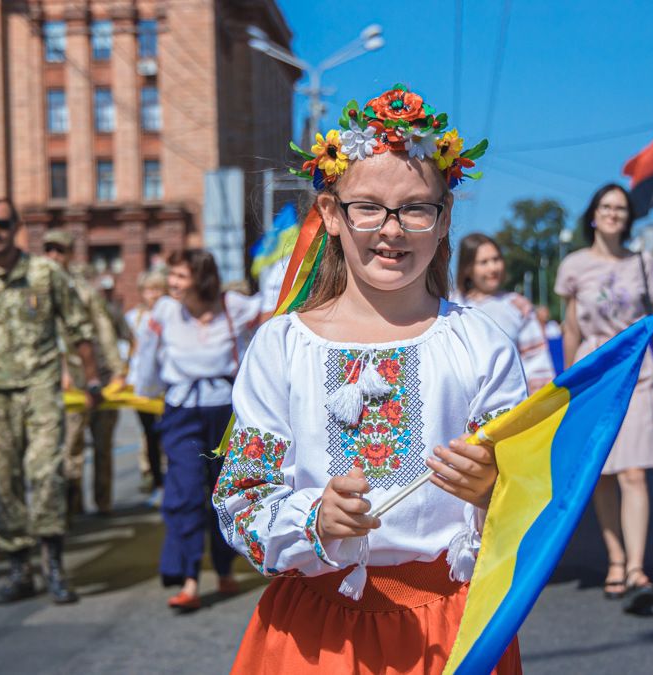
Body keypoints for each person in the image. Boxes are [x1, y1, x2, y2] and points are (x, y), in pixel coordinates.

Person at [213, 85, 522, 673]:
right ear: (331, 214)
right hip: (313, 636)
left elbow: (536, 500)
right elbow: (240, 499)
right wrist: (315, 520)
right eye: (368, 207)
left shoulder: (480, 345)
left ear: (444, 218)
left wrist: (493, 491)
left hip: (448, 629)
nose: (392, 229)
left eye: (415, 207)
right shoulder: (282, 347)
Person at [0, 197, 101, 605]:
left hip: (41, 388)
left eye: (3, 224)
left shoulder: (45, 274)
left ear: (15, 227)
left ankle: (55, 565)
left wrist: (92, 379)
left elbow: (78, 329)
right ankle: (19, 568)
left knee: (45, 474)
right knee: (4, 480)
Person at [556, 183, 653, 615]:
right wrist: (566, 384)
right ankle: (614, 559)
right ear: (593, 215)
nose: (614, 213)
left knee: (634, 472)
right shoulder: (574, 265)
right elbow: (570, 329)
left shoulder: (643, 262)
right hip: (594, 376)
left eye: (621, 208)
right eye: (606, 206)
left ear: (628, 217)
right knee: (604, 474)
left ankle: (636, 567)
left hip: (637, 374)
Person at [130, 250, 259, 610]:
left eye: (180, 276)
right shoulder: (165, 311)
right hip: (182, 410)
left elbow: (276, 310)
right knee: (185, 492)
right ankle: (188, 577)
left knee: (225, 493)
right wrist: (143, 392)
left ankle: (224, 568)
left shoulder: (232, 305)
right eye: (172, 275)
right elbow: (148, 356)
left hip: (226, 412)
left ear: (201, 279)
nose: (171, 283)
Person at [41, 231, 125, 517]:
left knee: (102, 444)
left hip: (96, 376)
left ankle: (104, 503)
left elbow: (104, 330)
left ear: (69, 254)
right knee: (70, 446)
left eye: (59, 250)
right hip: (64, 378)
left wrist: (117, 370)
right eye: (48, 250)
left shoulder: (83, 291)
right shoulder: (37, 289)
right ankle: (72, 504)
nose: (54, 256)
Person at [454, 233, 556, 393]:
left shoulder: (517, 306)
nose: (493, 268)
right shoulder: (452, 307)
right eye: (484, 262)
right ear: (467, 268)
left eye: (496, 259)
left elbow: (536, 360)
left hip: (509, 402)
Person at [125, 271, 168, 496]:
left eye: (157, 289)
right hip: (141, 383)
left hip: (167, 382)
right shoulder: (134, 317)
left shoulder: (172, 314)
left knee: (170, 432)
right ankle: (157, 479)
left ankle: (171, 476)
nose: (152, 295)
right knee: (149, 433)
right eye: (148, 290)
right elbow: (132, 349)